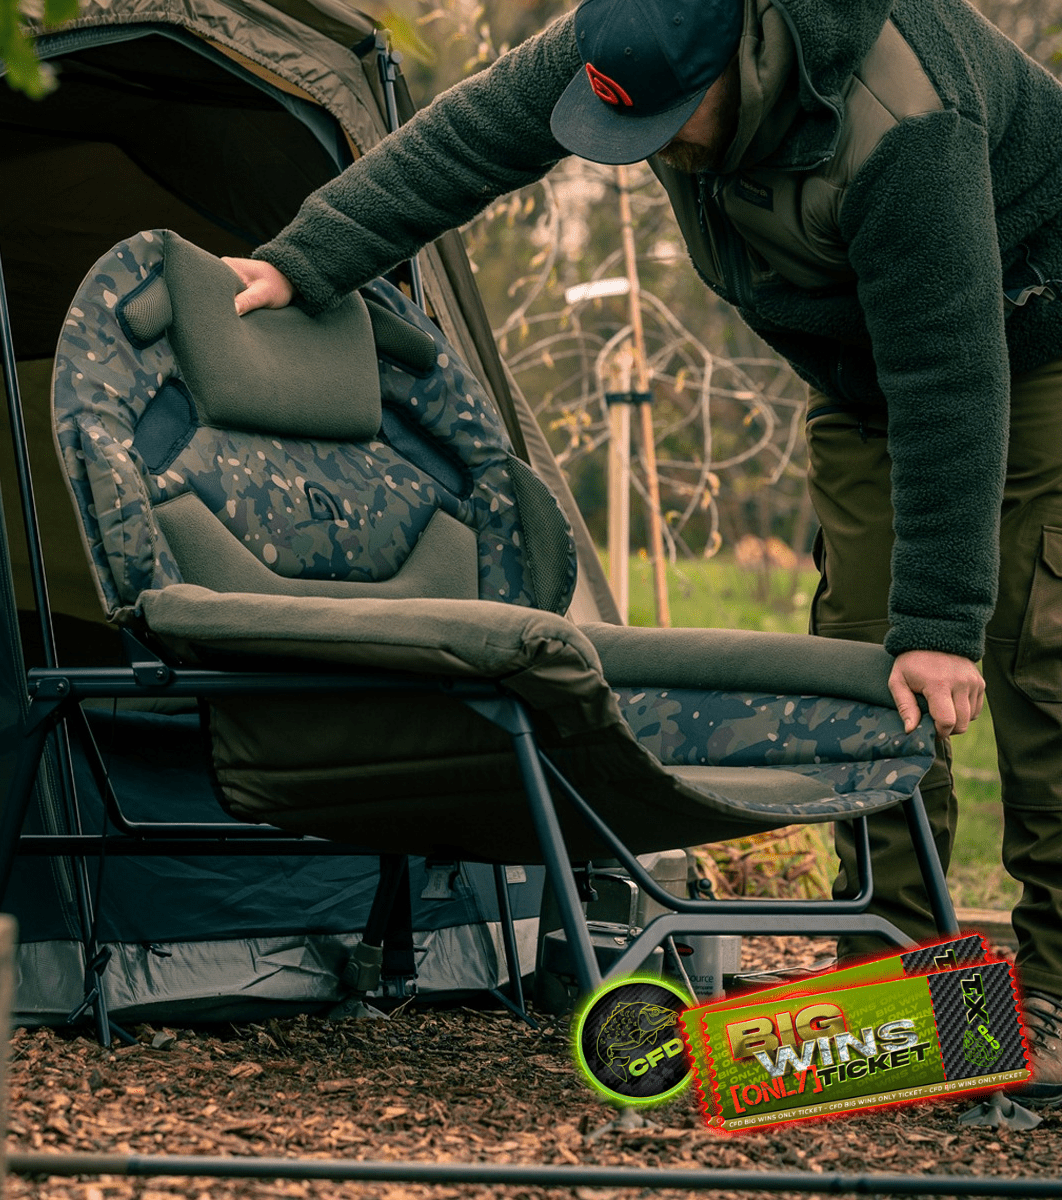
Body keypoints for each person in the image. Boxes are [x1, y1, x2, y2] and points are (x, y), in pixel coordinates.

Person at [224, 0, 1062, 1101]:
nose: (648, 148)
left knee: (1038, 661)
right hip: (865, 376)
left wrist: (945, 622)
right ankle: (898, 971)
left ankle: (1058, 989)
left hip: (1035, 342)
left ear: (739, 68)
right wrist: (304, 260)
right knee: (865, 659)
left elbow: (953, 373)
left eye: (670, 122)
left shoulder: (904, 122)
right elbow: (470, 137)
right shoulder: (633, 34)